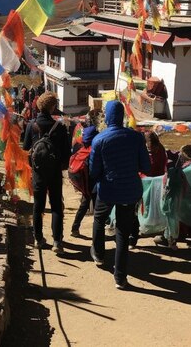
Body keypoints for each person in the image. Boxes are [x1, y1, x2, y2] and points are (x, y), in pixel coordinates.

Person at [89, 100, 150, 289]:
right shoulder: (136, 137)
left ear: (106, 117)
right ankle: (120, 278)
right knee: (123, 231)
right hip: (130, 190)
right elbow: (146, 166)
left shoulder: (99, 139)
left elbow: (93, 171)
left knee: (99, 219)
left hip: (107, 189)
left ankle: (99, 255)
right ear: (122, 116)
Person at [23, 91, 71, 254]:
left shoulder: (31, 125)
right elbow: (66, 153)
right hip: (55, 172)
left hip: (38, 173)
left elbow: (26, 149)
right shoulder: (60, 127)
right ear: (52, 107)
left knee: (38, 206)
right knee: (56, 205)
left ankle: (38, 239)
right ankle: (57, 241)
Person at [70, 124, 99, 237]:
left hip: (84, 181)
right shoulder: (94, 150)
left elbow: (75, 141)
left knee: (85, 203)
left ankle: (75, 228)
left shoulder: (80, 130)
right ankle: (97, 233)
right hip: (91, 182)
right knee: (97, 207)